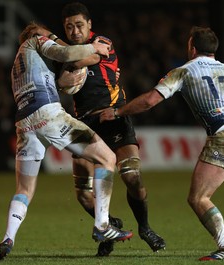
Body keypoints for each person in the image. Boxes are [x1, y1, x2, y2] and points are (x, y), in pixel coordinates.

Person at [100, 26, 224, 261]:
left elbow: (149, 101)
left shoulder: (184, 71)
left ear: (192, 47)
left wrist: (117, 112)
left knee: (198, 198)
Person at [0, 22, 133, 261]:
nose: (52, 38)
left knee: (24, 190)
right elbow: (65, 53)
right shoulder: (35, 41)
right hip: (49, 114)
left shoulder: (15, 64)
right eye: (48, 35)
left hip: (24, 123)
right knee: (107, 158)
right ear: (35, 35)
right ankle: (103, 225)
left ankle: (7, 238)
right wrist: (92, 47)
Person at [38, 2, 166, 256]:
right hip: (83, 124)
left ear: (89, 25)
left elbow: (94, 56)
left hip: (113, 117)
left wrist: (69, 66)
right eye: (69, 27)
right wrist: (63, 71)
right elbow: (60, 84)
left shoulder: (101, 42)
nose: (74, 31)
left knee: (132, 177)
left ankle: (145, 228)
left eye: (79, 25)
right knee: (83, 196)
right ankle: (109, 225)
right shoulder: (63, 53)